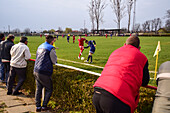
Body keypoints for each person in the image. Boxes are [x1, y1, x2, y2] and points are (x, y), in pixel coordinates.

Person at [93, 36, 150, 113]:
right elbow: (145, 81)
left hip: (97, 92)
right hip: (117, 97)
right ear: (139, 48)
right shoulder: (142, 57)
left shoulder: (115, 51)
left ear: (124, 44)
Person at [33, 35, 57, 112]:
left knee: (38, 89)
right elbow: (54, 60)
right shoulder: (51, 48)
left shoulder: (40, 46)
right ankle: (44, 106)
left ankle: (38, 107)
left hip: (36, 70)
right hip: (44, 71)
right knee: (49, 89)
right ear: (52, 41)